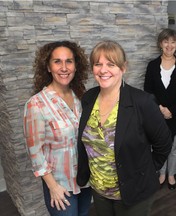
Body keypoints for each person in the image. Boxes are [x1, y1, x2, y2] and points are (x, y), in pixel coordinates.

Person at [76, 40, 172, 216]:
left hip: (134, 193)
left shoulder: (142, 102)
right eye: (98, 64)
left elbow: (164, 143)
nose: (103, 70)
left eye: (111, 64)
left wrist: (146, 171)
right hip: (99, 191)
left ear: (123, 68)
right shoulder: (88, 98)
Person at [23, 41, 92, 216]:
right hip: (60, 184)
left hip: (86, 179)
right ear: (48, 67)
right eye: (57, 61)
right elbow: (35, 152)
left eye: (69, 61)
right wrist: (52, 186)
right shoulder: (36, 104)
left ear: (76, 66)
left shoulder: (80, 97)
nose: (64, 67)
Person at [144, 28, 176, 190]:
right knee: (159, 146)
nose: (169, 45)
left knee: (174, 148)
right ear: (160, 44)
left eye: (173, 42)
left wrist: (172, 111)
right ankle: (161, 173)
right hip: (157, 115)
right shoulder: (152, 65)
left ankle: (171, 174)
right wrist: (160, 108)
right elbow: (148, 91)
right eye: (166, 41)